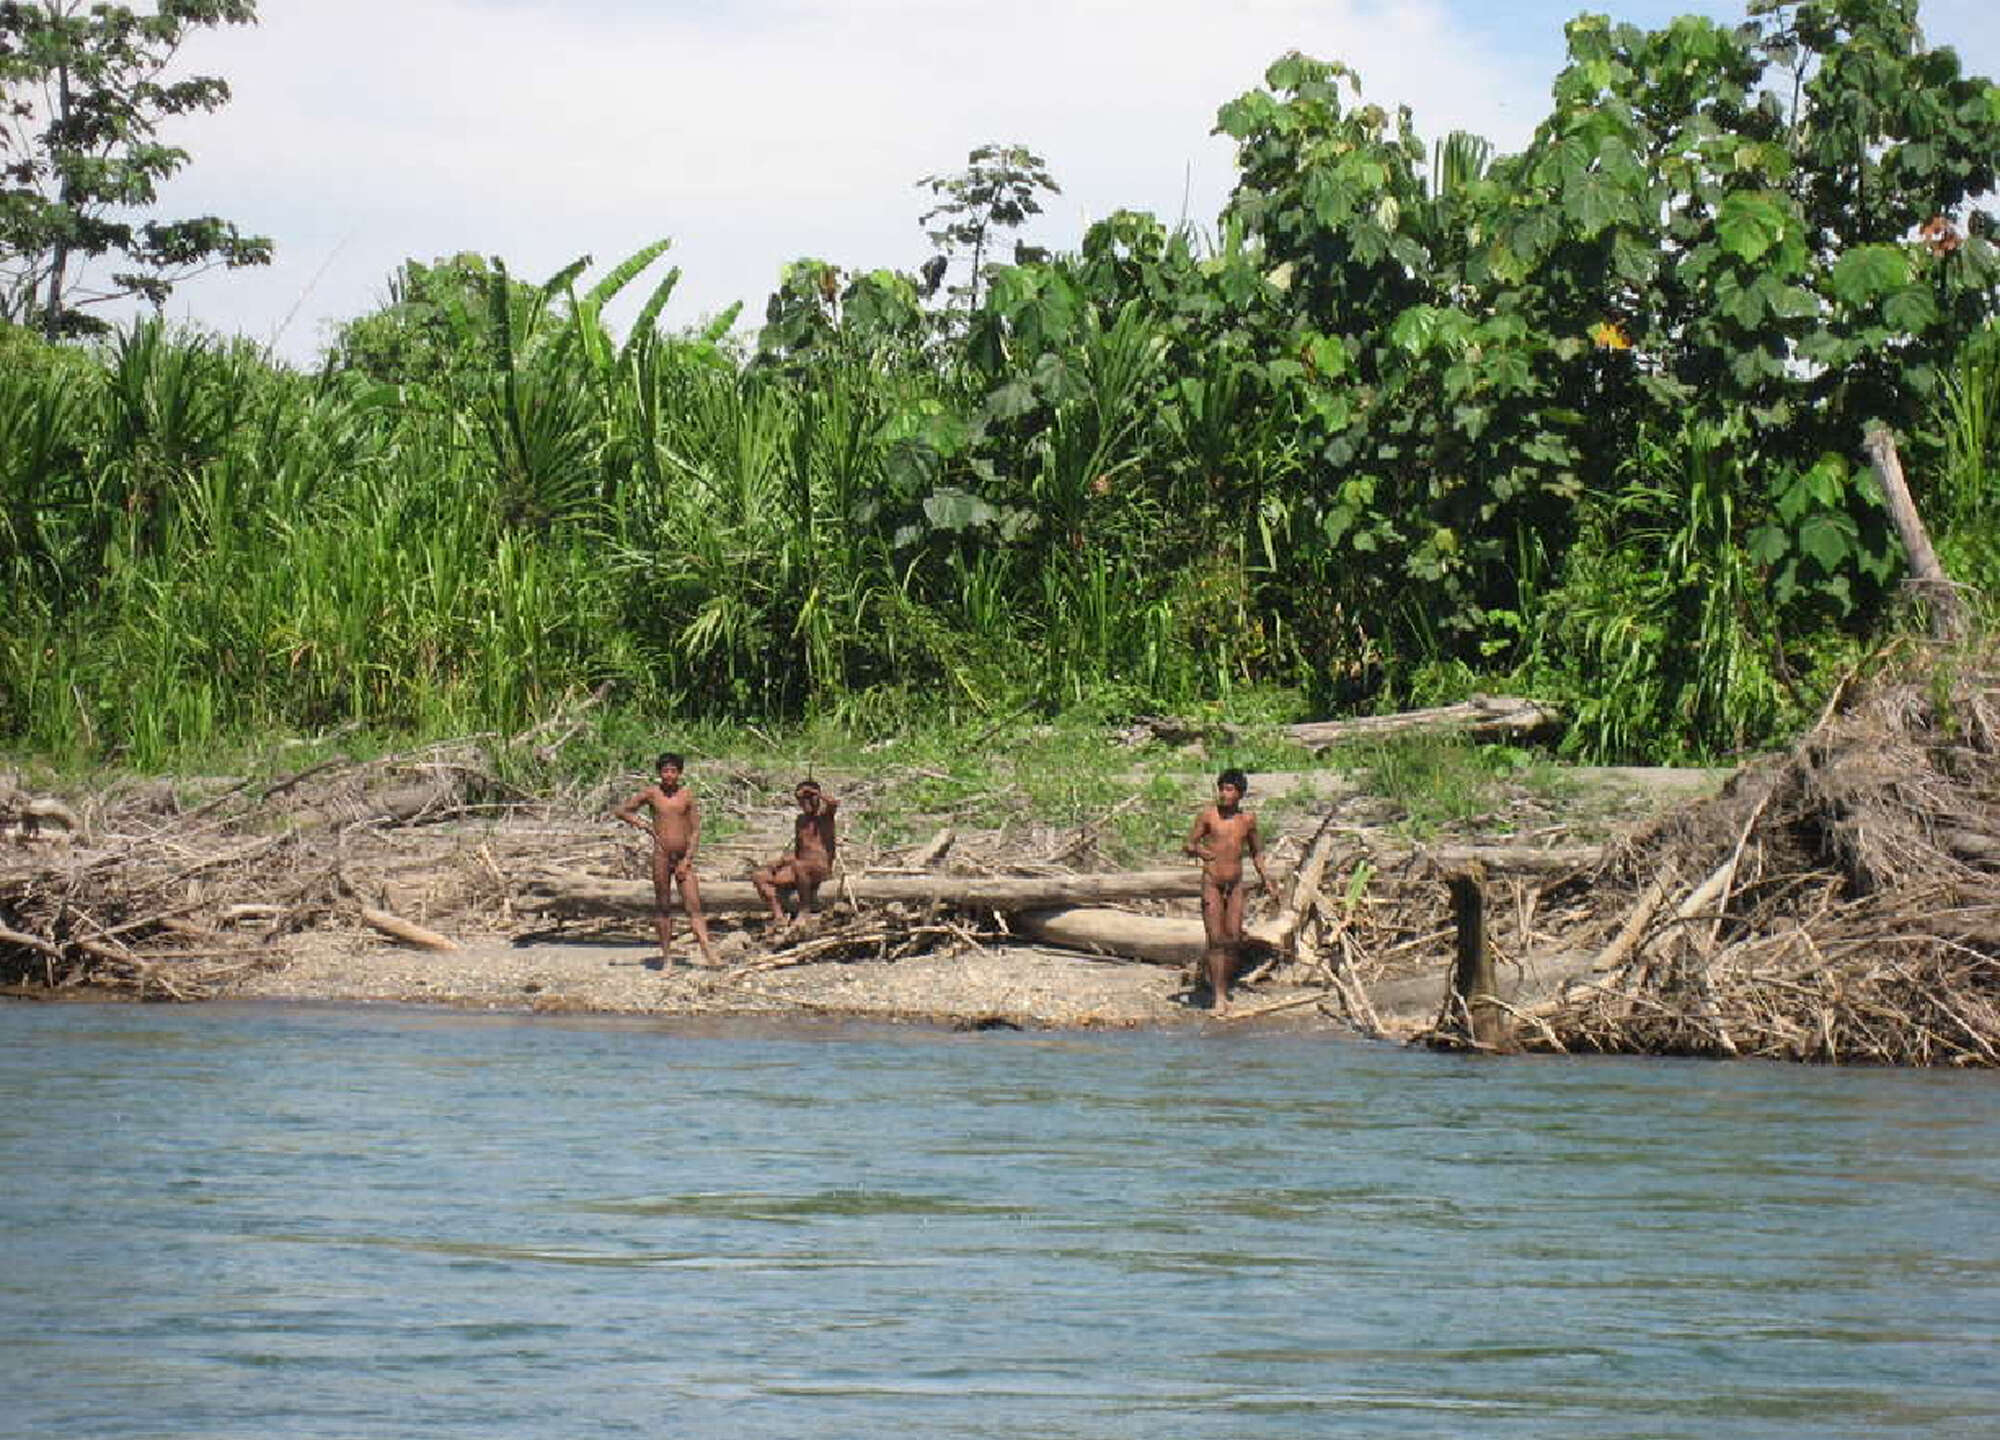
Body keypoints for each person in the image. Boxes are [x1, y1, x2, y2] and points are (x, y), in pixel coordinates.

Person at [613, 752, 718, 968]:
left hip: (682, 858)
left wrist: (687, 860)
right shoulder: (653, 793)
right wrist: (640, 823)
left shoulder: (686, 795)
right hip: (661, 856)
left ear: (679, 773)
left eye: (673, 771)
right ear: (660, 773)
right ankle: (667, 959)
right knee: (663, 908)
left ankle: (708, 950)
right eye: (665, 771)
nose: (669, 775)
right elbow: (622, 810)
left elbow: (696, 830)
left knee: (694, 906)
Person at [1184, 767, 1272, 1016]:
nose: (1224, 794)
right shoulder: (1209, 816)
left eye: (1230, 789)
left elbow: (1256, 851)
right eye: (1221, 789)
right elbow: (1189, 844)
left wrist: (1267, 878)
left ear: (1240, 794)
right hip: (1212, 881)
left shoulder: (1247, 820)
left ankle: (1222, 982)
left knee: (1232, 938)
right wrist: (1202, 852)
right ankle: (1219, 997)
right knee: (1215, 939)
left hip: (1235, 885)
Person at [751, 779, 839, 929]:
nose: (806, 802)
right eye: (801, 799)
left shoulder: (825, 817)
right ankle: (778, 916)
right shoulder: (800, 821)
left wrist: (816, 793)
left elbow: (833, 803)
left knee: (799, 866)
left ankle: (804, 910)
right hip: (800, 868)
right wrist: (781, 862)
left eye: (809, 798)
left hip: (820, 868)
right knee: (760, 876)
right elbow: (799, 851)